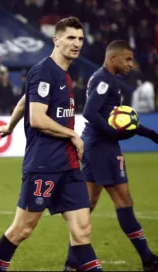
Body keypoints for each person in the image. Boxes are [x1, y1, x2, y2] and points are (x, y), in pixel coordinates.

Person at [0, 17, 102, 271]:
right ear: (56, 40)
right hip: (44, 165)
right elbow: (37, 118)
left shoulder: (63, 74)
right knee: (22, 229)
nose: (76, 44)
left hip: (69, 166)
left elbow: (24, 100)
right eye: (70, 38)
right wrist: (72, 135)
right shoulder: (44, 71)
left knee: (82, 232)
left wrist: (9, 125)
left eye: (80, 39)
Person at [62, 40, 158, 271]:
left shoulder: (105, 79)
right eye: (127, 59)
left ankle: (72, 263)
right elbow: (90, 112)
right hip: (102, 148)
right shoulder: (106, 80)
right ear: (112, 58)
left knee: (88, 204)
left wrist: (152, 135)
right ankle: (148, 259)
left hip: (96, 146)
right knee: (124, 201)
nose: (131, 64)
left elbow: (119, 120)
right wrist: (111, 133)